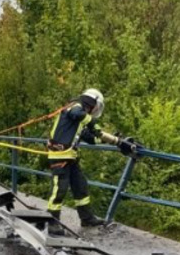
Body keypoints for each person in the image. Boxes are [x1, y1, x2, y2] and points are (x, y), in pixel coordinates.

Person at [44, 88, 137, 234]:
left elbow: (91, 138)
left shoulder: (79, 120)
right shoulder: (75, 106)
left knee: (81, 186)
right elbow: (77, 114)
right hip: (60, 155)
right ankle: (51, 222)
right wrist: (93, 123)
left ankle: (86, 218)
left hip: (71, 157)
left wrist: (115, 140)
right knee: (60, 188)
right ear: (92, 102)